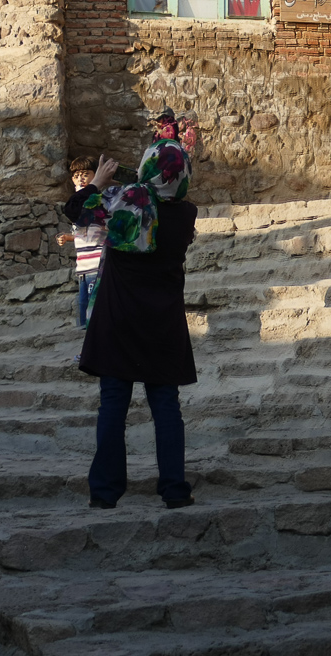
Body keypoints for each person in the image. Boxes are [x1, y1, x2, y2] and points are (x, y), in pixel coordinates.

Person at [71, 138, 198, 510]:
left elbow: (75, 209)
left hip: (119, 316)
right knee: (166, 405)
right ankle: (174, 488)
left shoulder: (123, 199)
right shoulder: (186, 212)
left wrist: (98, 181)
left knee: (113, 403)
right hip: (162, 321)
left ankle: (105, 492)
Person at [58, 156, 104, 330]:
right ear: (72, 179)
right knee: (84, 309)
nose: (81, 178)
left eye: (86, 174)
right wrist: (67, 237)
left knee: (93, 311)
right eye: (77, 175)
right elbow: (81, 233)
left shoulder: (98, 200)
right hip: (83, 267)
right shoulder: (76, 205)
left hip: (96, 263)